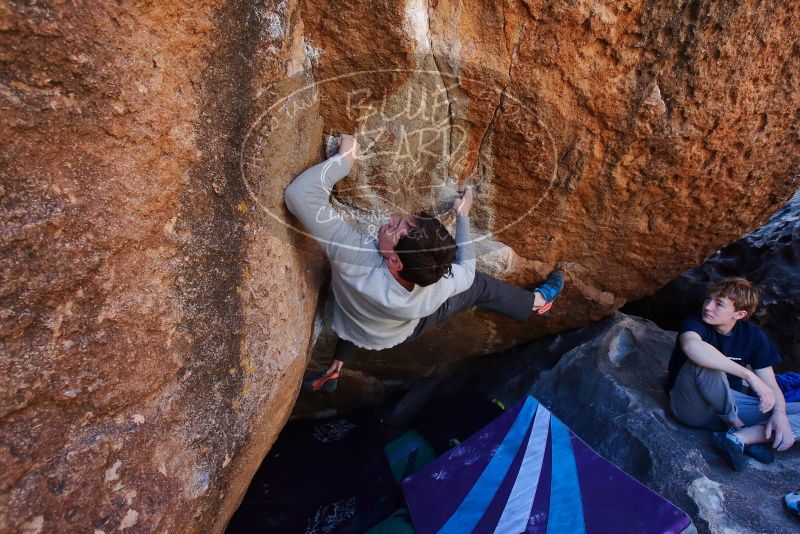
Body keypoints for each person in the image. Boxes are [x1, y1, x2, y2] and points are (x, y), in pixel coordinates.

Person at [284, 134, 565, 392]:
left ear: (394, 261)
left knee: (361, 304)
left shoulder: (353, 256)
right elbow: (467, 271)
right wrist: (463, 217)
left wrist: (343, 161)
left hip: (352, 316)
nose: (390, 222)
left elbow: (299, 195)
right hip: (391, 331)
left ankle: (336, 366)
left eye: (396, 230)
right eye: (401, 222)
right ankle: (535, 302)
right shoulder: (437, 288)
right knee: (478, 286)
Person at [665, 277, 800, 470]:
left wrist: (779, 414)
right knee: (703, 362)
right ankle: (737, 426)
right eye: (708, 299)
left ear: (739, 314)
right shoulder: (695, 321)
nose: (708, 307)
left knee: (786, 414)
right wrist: (748, 375)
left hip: (732, 402)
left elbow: (771, 385)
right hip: (692, 406)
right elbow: (691, 346)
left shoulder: (752, 336)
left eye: (718, 304)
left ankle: (740, 437)